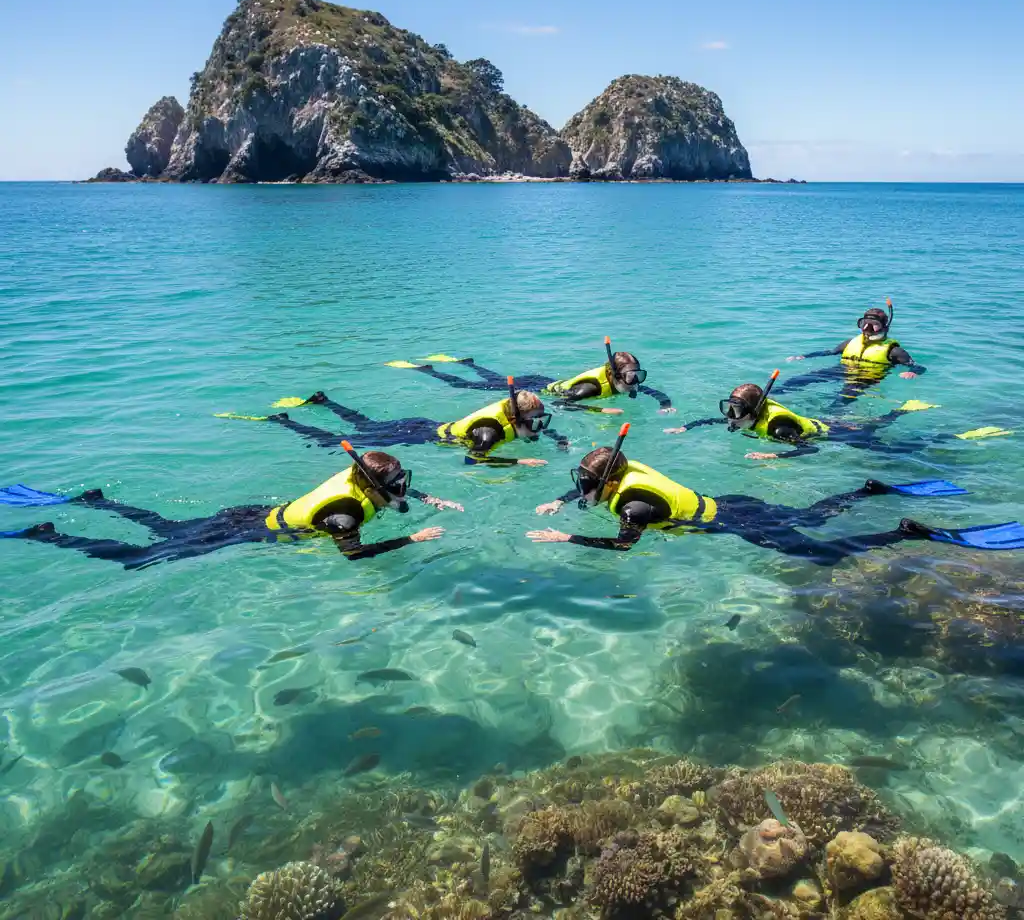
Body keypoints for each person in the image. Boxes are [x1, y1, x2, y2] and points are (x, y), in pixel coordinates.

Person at [527, 428, 1024, 564]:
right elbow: (600, 477)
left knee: (820, 551)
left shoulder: (633, 508)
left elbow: (621, 547)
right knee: (811, 515)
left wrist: (564, 535)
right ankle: (865, 490)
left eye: (585, 487)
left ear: (608, 484)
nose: (582, 491)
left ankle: (902, 532)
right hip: (734, 499)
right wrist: (562, 499)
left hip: (735, 522)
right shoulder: (624, 470)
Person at [0, 448, 459, 570]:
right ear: (375, 484)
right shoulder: (345, 516)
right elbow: (355, 556)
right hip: (246, 531)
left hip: (250, 511)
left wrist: (429, 499)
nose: (404, 488)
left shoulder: (362, 482)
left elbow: (394, 491)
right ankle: (52, 535)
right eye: (398, 484)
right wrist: (410, 540)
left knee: (167, 525)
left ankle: (99, 502)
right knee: (145, 556)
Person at [666, 371, 1010, 459]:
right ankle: (901, 410)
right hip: (826, 426)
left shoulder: (779, 427)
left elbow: (809, 449)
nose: (730, 416)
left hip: (833, 434)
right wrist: (688, 426)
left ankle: (961, 436)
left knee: (886, 446)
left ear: (754, 410)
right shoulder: (743, 416)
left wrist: (775, 453)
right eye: (729, 408)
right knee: (875, 425)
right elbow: (718, 420)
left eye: (736, 410)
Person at [218, 379, 561, 467]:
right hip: (417, 435)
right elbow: (473, 459)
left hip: (425, 424)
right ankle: (285, 422)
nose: (538, 424)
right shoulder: (488, 433)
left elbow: (531, 432)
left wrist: (556, 439)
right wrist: (519, 461)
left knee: (365, 424)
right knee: (344, 437)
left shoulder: (512, 422)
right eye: (534, 419)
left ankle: (325, 401)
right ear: (517, 417)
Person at [383, 337, 676, 413]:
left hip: (539, 379)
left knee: (492, 379)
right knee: (470, 387)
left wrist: (665, 403)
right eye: (631, 377)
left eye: (639, 376)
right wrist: (600, 409)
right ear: (614, 375)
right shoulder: (589, 388)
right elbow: (564, 404)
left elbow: (650, 391)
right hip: (537, 386)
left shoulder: (627, 383)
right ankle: (428, 370)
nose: (636, 383)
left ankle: (466, 361)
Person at [776, 301, 925, 408]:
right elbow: (830, 352)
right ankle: (771, 397)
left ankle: (829, 418)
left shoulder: (894, 350)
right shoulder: (851, 342)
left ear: (884, 327)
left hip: (867, 376)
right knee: (798, 380)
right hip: (841, 370)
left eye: (874, 325)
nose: (868, 329)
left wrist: (912, 372)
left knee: (842, 398)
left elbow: (918, 367)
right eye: (864, 324)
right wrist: (804, 356)